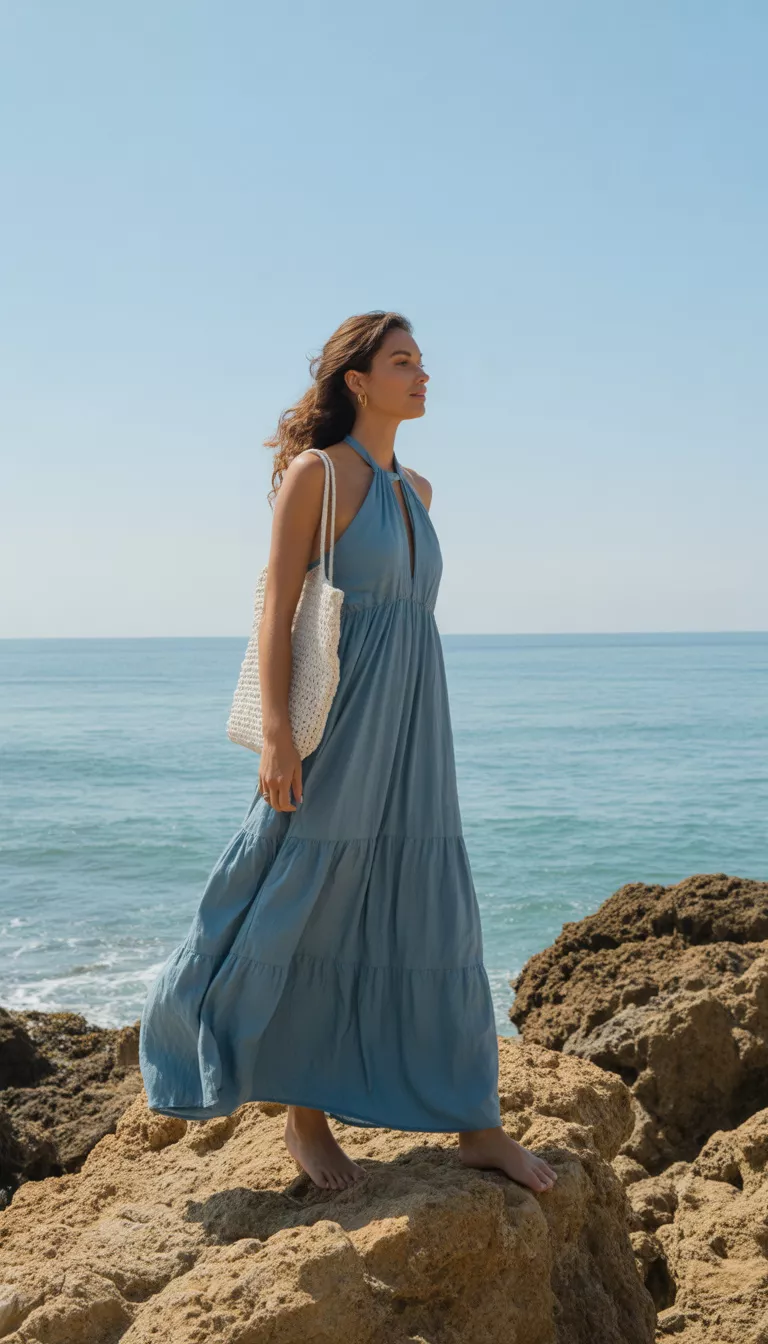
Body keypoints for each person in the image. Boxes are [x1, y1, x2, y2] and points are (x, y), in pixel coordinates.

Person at [139, 309, 558, 1196]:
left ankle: (476, 1124)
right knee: (306, 896)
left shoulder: (420, 491)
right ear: (359, 382)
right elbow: (275, 607)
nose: (423, 375)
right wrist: (280, 737)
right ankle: (302, 1112)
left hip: (413, 725)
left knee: (430, 908)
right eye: (404, 362)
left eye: (423, 362)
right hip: (337, 726)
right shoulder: (317, 475)